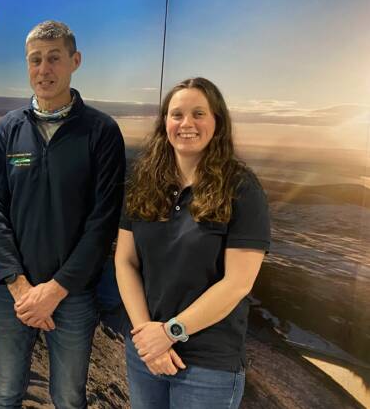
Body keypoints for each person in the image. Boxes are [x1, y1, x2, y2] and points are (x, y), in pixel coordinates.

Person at [0, 20, 126, 408]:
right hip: (12, 294)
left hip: (74, 296)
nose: (43, 70)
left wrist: (56, 290)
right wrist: (20, 287)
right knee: (6, 392)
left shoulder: (101, 132)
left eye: (54, 59)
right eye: (35, 60)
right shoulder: (8, 130)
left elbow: (103, 222)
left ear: (74, 61)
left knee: (67, 397)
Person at [115, 77, 270, 409]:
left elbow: (237, 283)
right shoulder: (143, 182)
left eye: (199, 113)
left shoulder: (241, 188)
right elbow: (125, 261)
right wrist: (147, 335)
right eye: (177, 115)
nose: (187, 123)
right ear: (165, 124)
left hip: (207, 365)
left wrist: (169, 333)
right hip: (146, 353)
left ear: (217, 121)